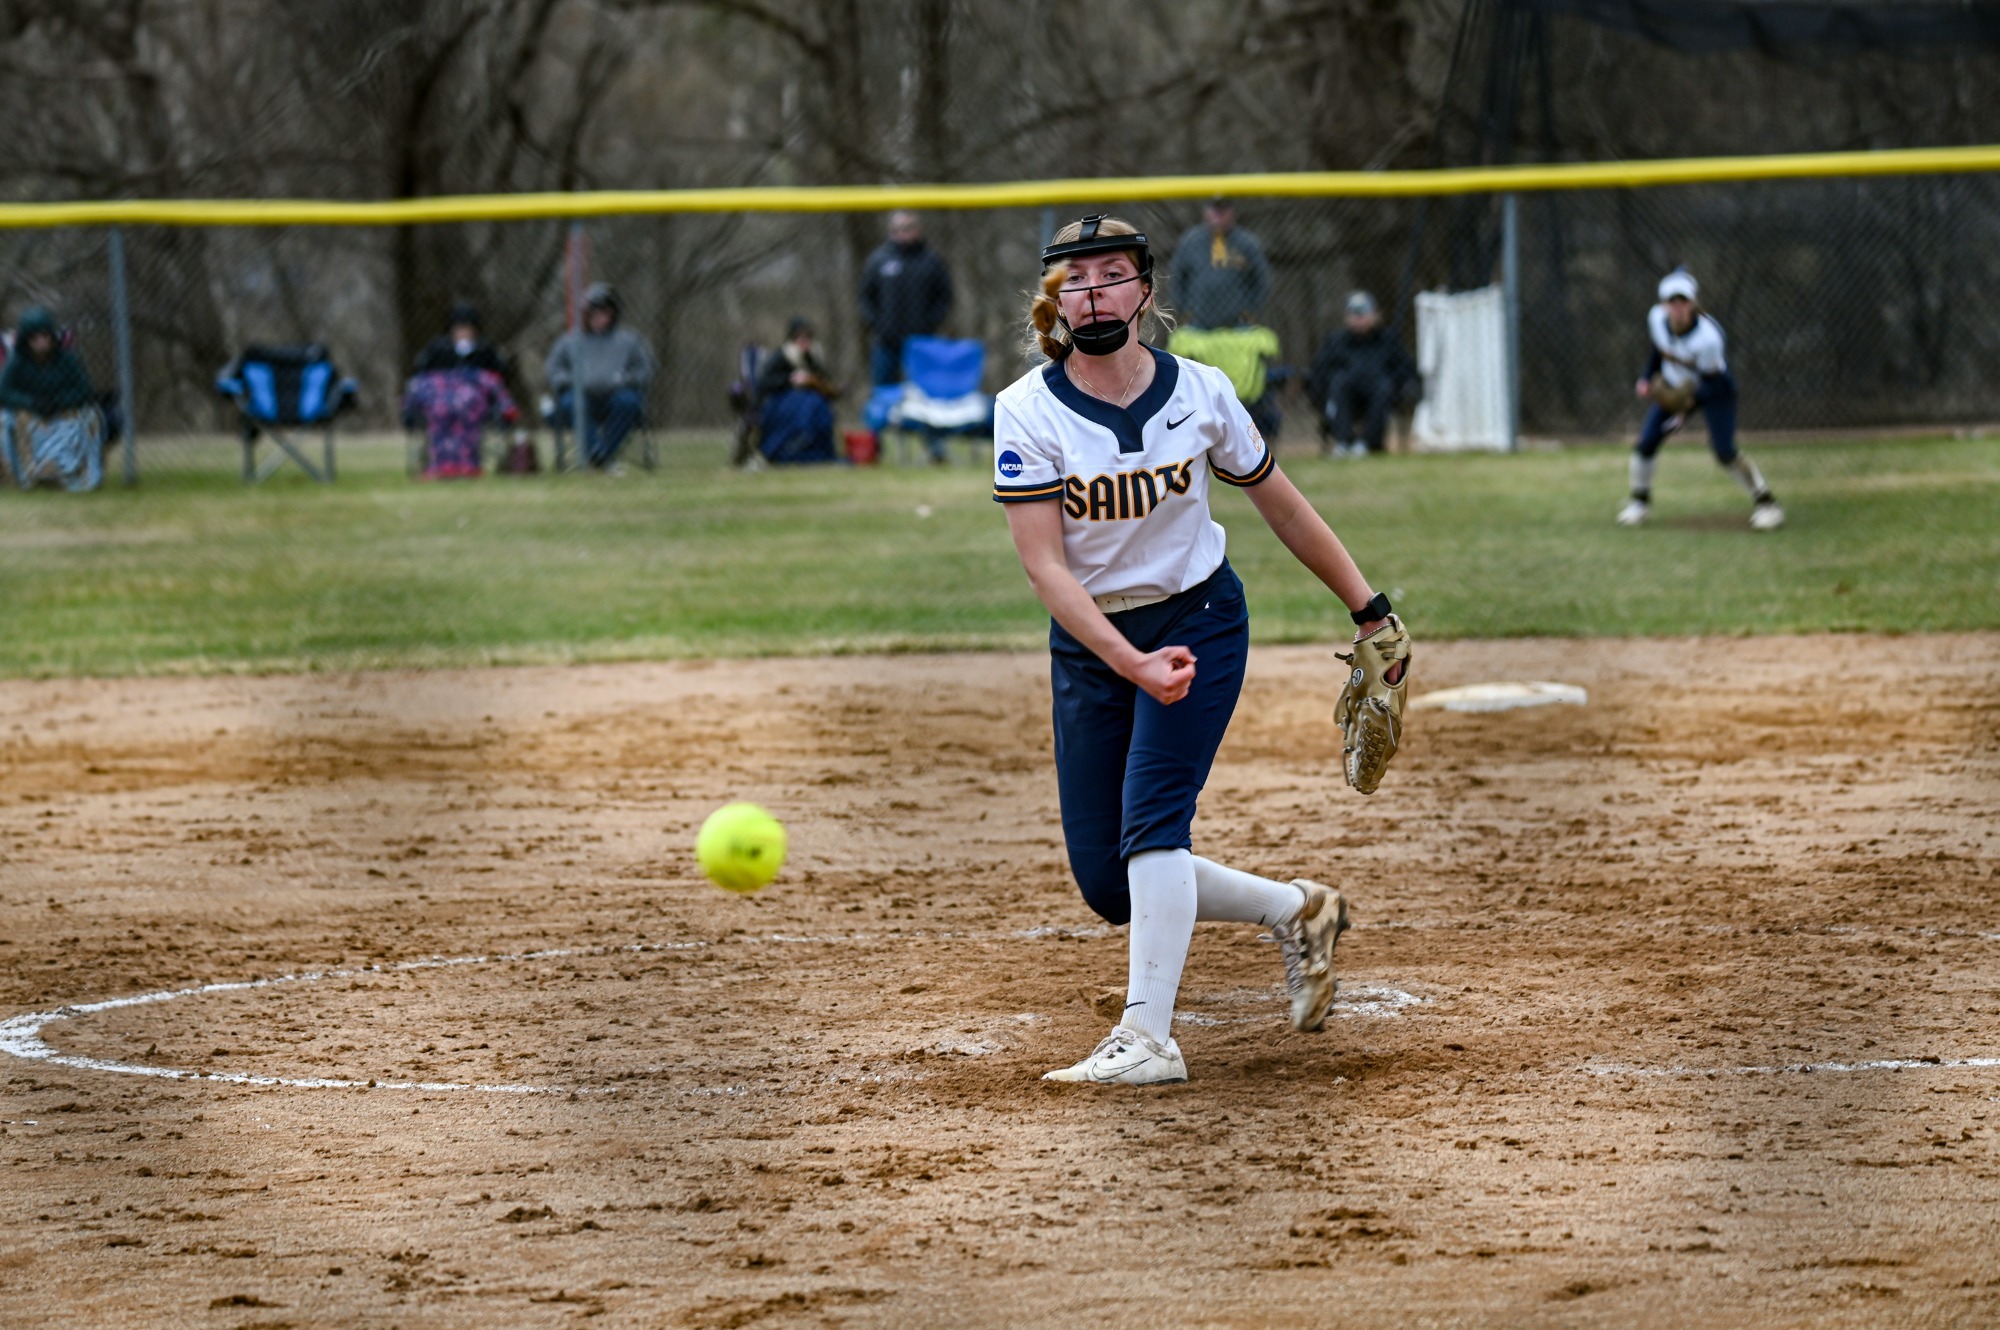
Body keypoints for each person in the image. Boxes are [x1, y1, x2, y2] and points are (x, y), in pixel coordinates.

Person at [994, 215, 1406, 1086]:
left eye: (1113, 273)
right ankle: (1297, 909)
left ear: (1146, 291)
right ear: (1055, 301)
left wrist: (1369, 611)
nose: (1094, 291)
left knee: (1154, 821)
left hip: (1200, 620)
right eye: (1076, 278)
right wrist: (1129, 662)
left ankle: (1148, 1037)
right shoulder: (1025, 409)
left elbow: (1282, 505)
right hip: (1095, 644)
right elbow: (1046, 570)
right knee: (1111, 884)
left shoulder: (1202, 392)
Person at [1619, 269, 1783, 530]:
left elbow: (1712, 382)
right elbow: (1659, 349)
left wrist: (1684, 408)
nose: (1677, 307)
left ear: (1693, 303)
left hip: (1715, 390)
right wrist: (1647, 377)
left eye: (1683, 301)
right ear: (1663, 304)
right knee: (1646, 443)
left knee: (1724, 451)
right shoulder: (1657, 319)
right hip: (1676, 389)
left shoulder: (1708, 338)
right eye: (1672, 301)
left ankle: (1767, 505)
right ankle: (1639, 503)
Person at [404, 302, 528, 478]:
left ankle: (467, 462)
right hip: (441, 400)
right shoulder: (438, 349)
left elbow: (499, 377)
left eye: (467, 328)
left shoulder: (485, 349)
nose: (463, 332)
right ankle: (442, 463)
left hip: (475, 402)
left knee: (465, 406)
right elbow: (422, 376)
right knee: (443, 410)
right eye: (459, 328)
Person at [544, 282, 655, 471]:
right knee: (572, 403)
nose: (599, 319)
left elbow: (645, 370)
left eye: (604, 313)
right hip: (581, 396)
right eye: (593, 314)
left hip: (616, 396)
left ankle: (602, 454)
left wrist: (625, 380)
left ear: (613, 314)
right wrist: (572, 381)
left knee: (629, 402)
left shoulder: (630, 341)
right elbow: (555, 370)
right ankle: (598, 453)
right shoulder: (569, 342)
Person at [1305, 291, 1420, 457]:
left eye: (1363, 314)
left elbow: (1405, 369)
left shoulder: (1388, 340)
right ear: (1347, 317)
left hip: (1379, 392)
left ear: (1375, 315)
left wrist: (1403, 386)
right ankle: (1343, 443)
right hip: (1345, 392)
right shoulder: (1336, 341)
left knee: (1383, 388)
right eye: (1354, 314)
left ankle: (1367, 444)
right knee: (1339, 383)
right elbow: (1319, 370)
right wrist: (1318, 392)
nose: (1359, 319)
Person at [0, 306, 103, 492]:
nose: (40, 342)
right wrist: (31, 402)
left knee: (91, 417)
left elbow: (84, 390)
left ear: (52, 337)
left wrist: (58, 402)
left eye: (44, 336)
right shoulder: (17, 362)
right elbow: (4, 392)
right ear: (26, 340)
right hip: (30, 414)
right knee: (6, 419)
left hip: (63, 412)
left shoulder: (67, 359)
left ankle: (76, 472)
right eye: (34, 338)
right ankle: (27, 475)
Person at [859, 211, 953, 386]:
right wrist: (879, 325)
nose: (904, 232)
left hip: (921, 340)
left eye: (909, 227)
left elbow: (944, 297)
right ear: (892, 230)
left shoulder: (931, 261)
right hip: (886, 341)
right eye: (899, 228)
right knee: (884, 389)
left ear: (918, 229)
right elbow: (866, 297)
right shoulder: (879, 260)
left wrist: (929, 324)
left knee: (922, 390)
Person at [1169, 196, 1272, 331]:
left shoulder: (1247, 243)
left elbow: (1262, 281)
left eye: (1223, 210)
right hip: (1197, 326)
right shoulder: (1190, 241)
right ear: (1205, 211)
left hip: (1238, 326)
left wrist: (1250, 311)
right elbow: (1176, 279)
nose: (1218, 215)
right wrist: (1186, 312)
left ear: (1233, 212)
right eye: (1214, 209)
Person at [753, 318, 841, 464]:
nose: (804, 341)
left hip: (811, 402)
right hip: (780, 404)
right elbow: (765, 383)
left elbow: (824, 380)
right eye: (800, 337)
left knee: (816, 406)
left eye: (807, 337)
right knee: (808, 408)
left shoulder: (813, 357)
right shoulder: (781, 356)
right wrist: (790, 380)